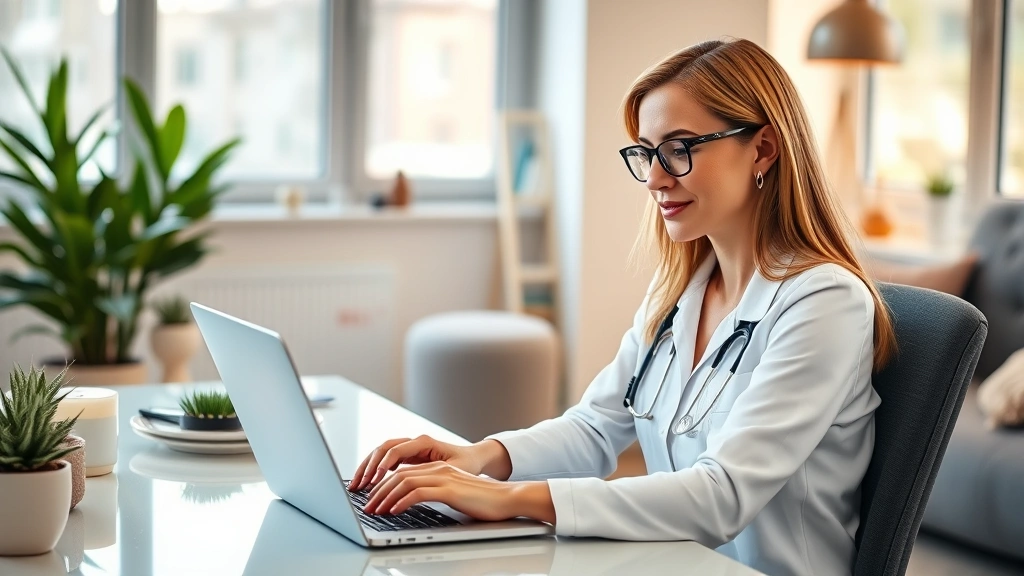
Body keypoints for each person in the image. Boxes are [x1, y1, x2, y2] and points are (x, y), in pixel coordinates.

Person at [347, 38, 895, 576]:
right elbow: (595, 428)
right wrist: (479, 457)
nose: (655, 178)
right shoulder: (679, 292)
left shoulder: (824, 302)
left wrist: (510, 497)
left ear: (763, 148)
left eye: (679, 149)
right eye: (647, 153)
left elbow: (723, 495)